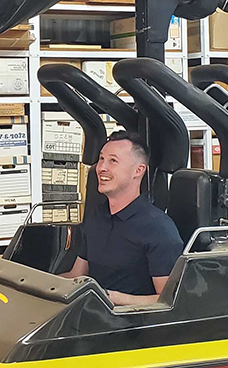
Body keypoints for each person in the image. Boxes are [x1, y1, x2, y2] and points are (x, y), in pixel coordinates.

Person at [61, 131, 183, 306]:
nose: (101, 167)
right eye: (101, 159)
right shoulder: (97, 216)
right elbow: (77, 275)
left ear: (138, 170)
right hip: (90, 315)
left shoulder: (158, 228)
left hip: (131, 326)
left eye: (113, 161)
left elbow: (170, 301)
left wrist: (117, 299)